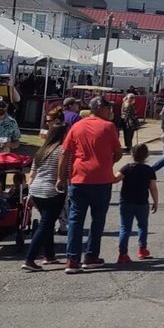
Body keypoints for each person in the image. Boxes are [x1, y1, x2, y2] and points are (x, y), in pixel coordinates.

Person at [57, 96, 123, 274]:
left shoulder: (77, 126)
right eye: (108, 107)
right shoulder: (108, 127)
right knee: (97, 220)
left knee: (76, 219)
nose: (110, 111)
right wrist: (107, 161)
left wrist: (60, 178)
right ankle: (91, 256)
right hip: (101, 179)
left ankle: (72, 259)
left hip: (79, 178)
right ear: (99, 107)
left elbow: (65, 153)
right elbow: (118, 153)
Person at [21, 125, 68, 271]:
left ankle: (49, 254)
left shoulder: (41, 151)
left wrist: (29, 193)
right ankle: (30, 258)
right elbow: (68, 170)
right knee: (46, 224)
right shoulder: (62, 151)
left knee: (47, 222)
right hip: (52, 190)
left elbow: (32, 173)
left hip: (36, 189)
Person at [115, 143, 159, 264]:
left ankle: (123, 253)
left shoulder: (127, 168)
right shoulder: (149, 170)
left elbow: (115, 179)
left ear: (132, 154)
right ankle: (142, 249)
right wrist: (155, 202)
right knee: (143, 226)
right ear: (146, 156)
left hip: (126, 202)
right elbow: (153, 188)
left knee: (125, 228)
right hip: (142, 203)